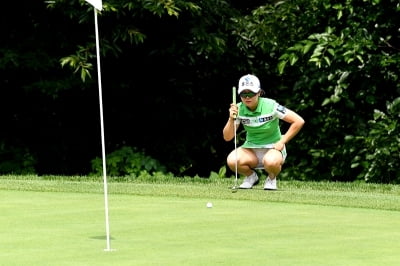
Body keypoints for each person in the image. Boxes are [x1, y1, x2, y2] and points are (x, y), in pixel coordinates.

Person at [223, 74, 305, 190]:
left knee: (271, 162)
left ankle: (271, 179)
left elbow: (298, 121)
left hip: (273, 148)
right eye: (243, 94)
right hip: (251, 149)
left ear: (259, 93)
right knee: (232, 160)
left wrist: (282, 141)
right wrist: (231, 118)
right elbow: (227, 137)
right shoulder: (238, 109)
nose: (247, 97)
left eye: (251, 93)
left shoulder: (271, 106)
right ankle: (251, 177)